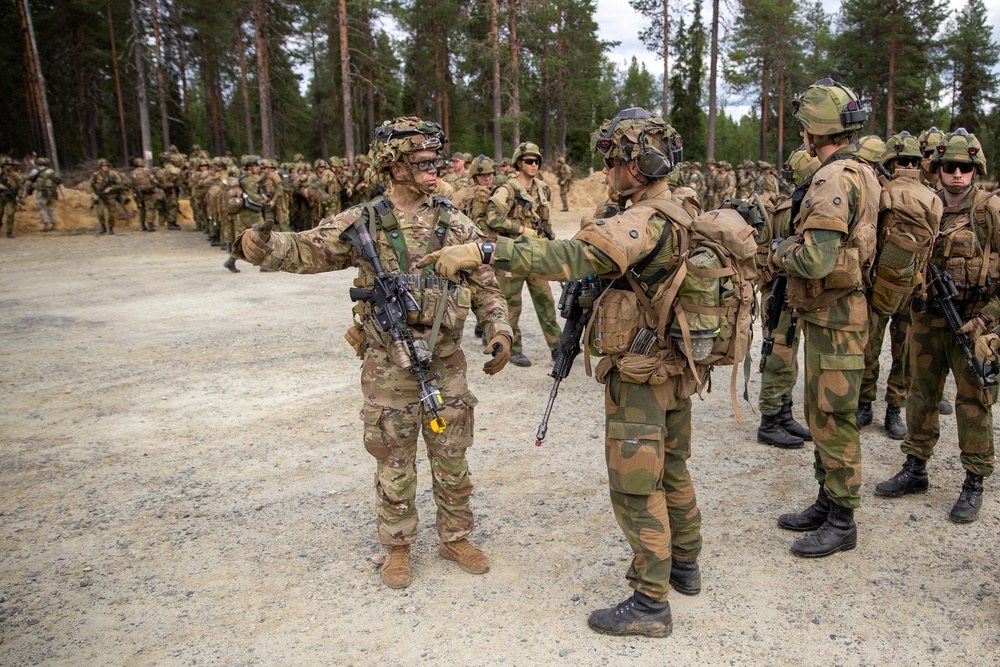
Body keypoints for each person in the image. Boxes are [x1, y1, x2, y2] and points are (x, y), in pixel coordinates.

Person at [418, 107, 707, 639]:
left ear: (636, 165)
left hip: (642, 369)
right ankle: (684, 564)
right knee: (673, 467)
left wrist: (485, 249)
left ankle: (650, 602)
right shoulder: (683, 204)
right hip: (674, 363)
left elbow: (569, 256)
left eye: (611, 160)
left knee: (636, 483)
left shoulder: (642, 219)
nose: (605, 170)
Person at [231, 116, 512, 590]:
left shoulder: (455, 221)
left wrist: (499, 330)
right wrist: (260, 244)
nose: (435, 170)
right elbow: (306, 250)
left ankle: (455, 536)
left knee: (452, 454)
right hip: (389, 365)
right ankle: (398, 548)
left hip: (444, 361)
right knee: (393, 457)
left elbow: (485, 283)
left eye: (437, 161)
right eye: (424, 162)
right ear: (394, 165)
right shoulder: (364, 222)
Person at [770, 78, 879, 558]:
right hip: (833, 314)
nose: (801, 137)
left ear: (815, 129)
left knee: (834, 417)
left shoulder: (832, 178)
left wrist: (778, 252)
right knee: (821, 411)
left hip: (837, 316)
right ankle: (827, 498)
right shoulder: (862, 170)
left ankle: (843, 519)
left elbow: (815, 260)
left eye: (803, 128)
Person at [875, 128, 1000, 524]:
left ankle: (974, 480)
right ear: (940, 169)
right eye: (950, 167)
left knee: (973, 402)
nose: (957, 174)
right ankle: (915, 468)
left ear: (975, 169)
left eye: (964, 167)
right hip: (928, 319)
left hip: (974, 324)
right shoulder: (925, 205)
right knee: (920, 396)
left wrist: (985, 319)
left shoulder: (990, 212)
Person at [858, 132, 942, 439]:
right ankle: (893, 408)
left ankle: (865, 405)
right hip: (913, 284)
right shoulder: (933, 197)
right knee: (902, 351)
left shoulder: (880, 191)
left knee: (871, 346)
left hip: (878, 283)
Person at [755, 145, 819, 449]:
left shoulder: (807, 207)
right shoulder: (785, 212)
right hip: (781, 296)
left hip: (796, 296)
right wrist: (769, 290)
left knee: (790, 358)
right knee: (778, 357)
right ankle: (769, 422)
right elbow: (764, 257)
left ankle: (784, 414)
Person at [484, 141, 561, 367]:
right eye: (529, 161)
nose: (534, 164)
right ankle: (513, 349)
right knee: (510, 306)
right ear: (519, 163)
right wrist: (520, 229)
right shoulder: (507, 190)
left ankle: (557, 348)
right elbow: (492, 217)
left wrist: (549, 236)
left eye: (536, 161)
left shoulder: (543, 188)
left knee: (546, 301)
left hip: (536, 254)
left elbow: (545, 219)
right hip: (513, 255)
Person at [451, 154, 495, 227]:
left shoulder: (499, 191)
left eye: (490, 174)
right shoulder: (464, 195)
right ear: (474, 177)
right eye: (483, 175)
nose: (487, 179)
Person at [90, 159, 127, 235]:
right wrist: (93, 194)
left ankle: (111, 228)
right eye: (103, 166)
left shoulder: (112, 174)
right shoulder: (95, 175)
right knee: (100, 212)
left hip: (111, 196)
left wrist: (111, 188)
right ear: (100, 167)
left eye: (106, 166)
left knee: (111, 213)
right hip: (101, 196)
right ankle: (103, 227)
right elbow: (91, 185)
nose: (105, 167)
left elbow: (120, 184)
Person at [25, 156, 61, 232]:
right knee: (51, 209)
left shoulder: (35, 171)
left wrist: (27, 192)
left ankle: (46, 224)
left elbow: (29, 181)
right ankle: (54, 224)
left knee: (41, 207)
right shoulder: (51, 171)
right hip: (51, 193)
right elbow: (58, 182)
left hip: (41, 192)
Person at [0, 156, 24, 238]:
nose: (9, 166)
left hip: (10, 197)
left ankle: (9, 231)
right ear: (3, 165)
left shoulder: (15, 175)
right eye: (7, 165)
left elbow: (20, 186)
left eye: (10, 165)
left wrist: (20, 195)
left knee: (10, 214)